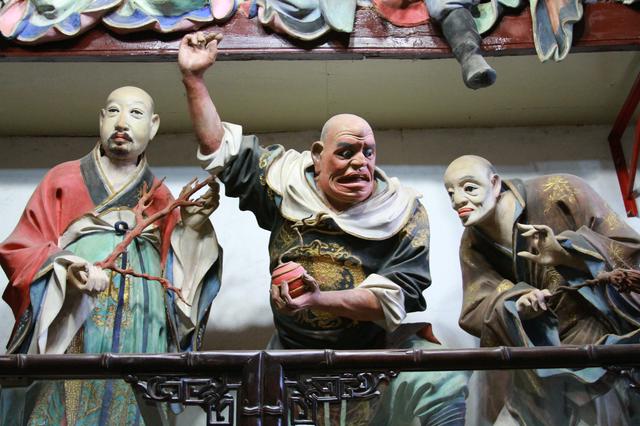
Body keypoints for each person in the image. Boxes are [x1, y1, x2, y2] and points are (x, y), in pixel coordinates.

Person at [178, 31, 468, 426]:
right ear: (317, 156)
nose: (359, 164)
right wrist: (194, 80)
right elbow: (221, 149)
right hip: (293, 359)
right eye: (345, 153)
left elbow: (397, 296)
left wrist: (318, 300)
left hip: (375, 357)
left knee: (444, 377)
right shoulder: (284, 183)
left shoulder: (403, 211)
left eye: (368, 153)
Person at [0, 86, 222, 425]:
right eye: (113, 111)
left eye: (135, 114)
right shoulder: (64, 179)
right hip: (76, 312)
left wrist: (191, 227)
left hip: (143, 320)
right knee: (68, 397)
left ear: (154, 125)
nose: (122, 122)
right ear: (102, 119)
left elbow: (179, 276)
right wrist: (65, 270)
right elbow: (21, 249)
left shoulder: (160, 195)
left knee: (134, 394)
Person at [443, 155, 640, 425]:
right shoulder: (473, 240)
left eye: (469, 188)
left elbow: (629, 253)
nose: (458, 201)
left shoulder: (562, 190)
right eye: (450, 192)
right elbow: (477, 305)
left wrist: (567, 254)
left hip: (597, 332)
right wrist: (516, 303)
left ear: (495, 183)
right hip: (536, 352)